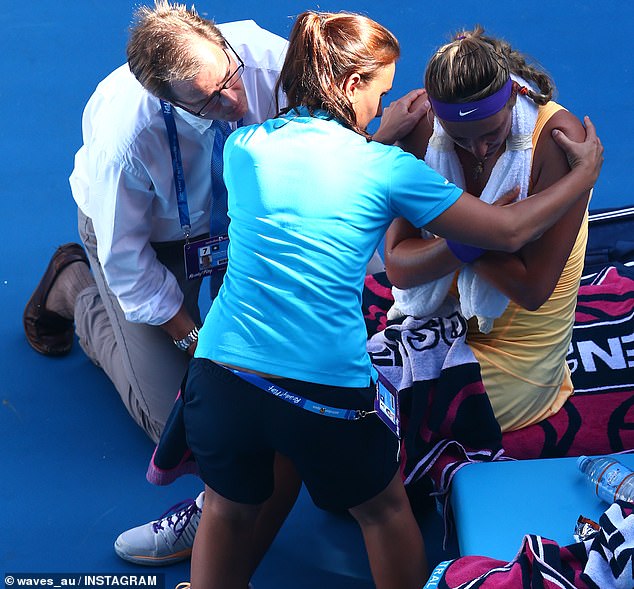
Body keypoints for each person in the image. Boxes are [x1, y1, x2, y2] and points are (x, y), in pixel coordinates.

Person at [167, 10, 601, 588]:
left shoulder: (244, 147)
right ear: (351, 85)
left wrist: (381, 136)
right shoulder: (386, 168)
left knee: (227, 503)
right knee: (383, 509)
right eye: (381, 90)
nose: (385, 104)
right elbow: (508, 232)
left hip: (219, 373)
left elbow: (324, 177)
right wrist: (584, 174)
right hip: (321, 388)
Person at [21, 0, 293, 565]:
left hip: (245, 217)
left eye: (230, 79)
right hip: (152, 241)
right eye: (208, 101)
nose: (235, 102)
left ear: (219, 42)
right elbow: (128, 260)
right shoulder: (128, 141)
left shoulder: (267, 59)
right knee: (178, 420)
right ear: (167, 99)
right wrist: (194, 342)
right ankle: (74, 289)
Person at [384, 26, 593, 433]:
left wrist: (450, 231)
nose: (477, 150)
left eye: (491, 135)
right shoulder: (421, 127)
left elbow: (532, 289)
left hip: (519, 355)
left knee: (392, 421)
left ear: (513, 96)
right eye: (458, 138)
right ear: (437, 117)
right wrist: (482, 232)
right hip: (436, 323)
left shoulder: (558, 139)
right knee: (333, 402)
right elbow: (397, 267)